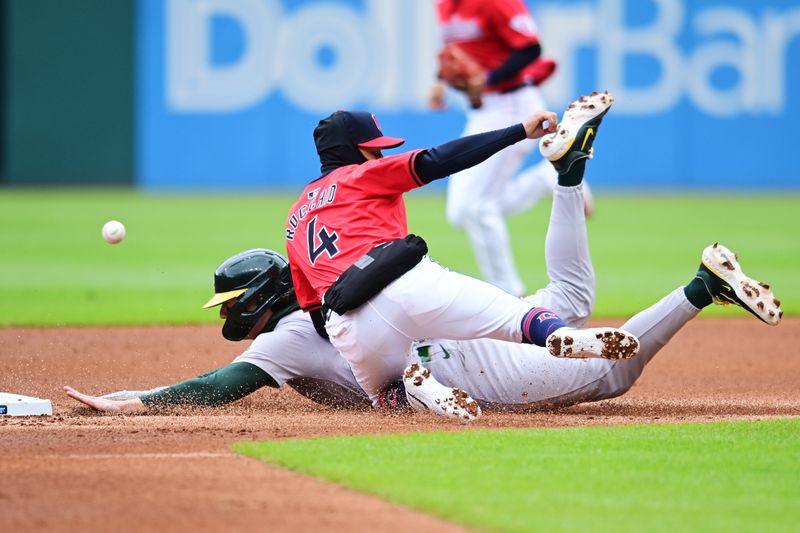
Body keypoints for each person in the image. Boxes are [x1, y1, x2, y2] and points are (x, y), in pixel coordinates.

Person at [65, 217, 783, 419]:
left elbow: (220, 384)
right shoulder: (333, 292)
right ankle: (568, 181)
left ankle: (700, 284)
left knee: (609, 374)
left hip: (468, 364)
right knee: (565, 301)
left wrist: (133, 402)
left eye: (234, 304)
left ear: (261, 296)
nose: (233, 317)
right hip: (463, 333)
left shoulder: (286, 337)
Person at [285, 91, 640, 412]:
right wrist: (518, 131)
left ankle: (411, 391)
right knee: (516, 317)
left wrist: (365, 345)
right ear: (350, 150)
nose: (380, 153)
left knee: (384, 398)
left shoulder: (295, 219)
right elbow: (441, 159)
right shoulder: (363, 175)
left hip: (348, 322)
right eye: (373, 148)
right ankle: (557, 336)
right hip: (408, 282)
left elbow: (317, 317)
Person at [430, 0, 593, 296]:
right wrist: (440, 82)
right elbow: (455, 52)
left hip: (513, 105)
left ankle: (509, 294)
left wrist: (488, 78)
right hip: (482, 110)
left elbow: (530, 48)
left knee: (476, 207)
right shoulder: (444, 6)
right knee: (460, 212)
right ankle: (548, 177)